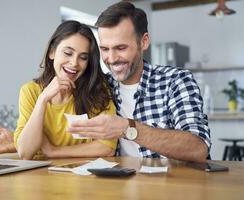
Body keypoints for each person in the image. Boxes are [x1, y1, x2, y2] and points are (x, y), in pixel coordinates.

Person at [68, 2, 211, 163]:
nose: (112, 59)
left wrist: (127, 128)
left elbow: (198, 148)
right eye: (105, 49)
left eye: (121, 48)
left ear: (144, 42)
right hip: (117, 187)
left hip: (171, 185)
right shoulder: (101, 87)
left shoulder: (175, 81)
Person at [13, 20, 117, 160]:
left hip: (83, 177)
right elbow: (25, 152)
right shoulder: (30, 91)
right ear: (52, 52)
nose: (74, 63)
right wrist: (43, 99)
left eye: (83, 57)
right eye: (68, 53)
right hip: (39, 177)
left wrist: (53, 151)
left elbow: (107, 147)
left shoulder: (97, 91)